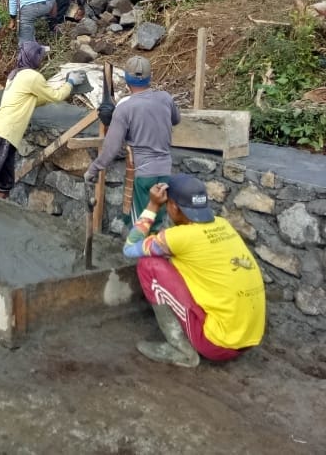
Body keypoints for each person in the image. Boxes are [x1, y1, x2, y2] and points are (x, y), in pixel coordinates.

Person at [123, 175, 266, 367]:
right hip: (250, 338)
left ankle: (181, 350)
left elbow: (130, 247)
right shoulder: (223, 225)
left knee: (148, 266)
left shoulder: (179, 237)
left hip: (217, 345)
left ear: (172, 206)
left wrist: (153, 206)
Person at [0, 42, 85, 199]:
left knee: (6, 181)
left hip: (5, 132)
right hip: (5, 132)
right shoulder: (32, 77)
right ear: (34, 57)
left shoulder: (16, 75)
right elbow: (55, 96)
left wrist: (63, 87)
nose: (42, 59)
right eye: (40, 56)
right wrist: (70, 83)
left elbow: (37, 100)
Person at [85, 55, 180, 231]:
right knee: (157, 223)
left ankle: (141, 257)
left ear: (127, 80)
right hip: (165, 172)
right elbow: (175, 120)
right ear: (150, 77)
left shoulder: (125, 108)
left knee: (142, 225)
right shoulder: (165, 98)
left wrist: (93, 169)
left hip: (144, 175)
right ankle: (155, 255)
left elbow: (111, 148)